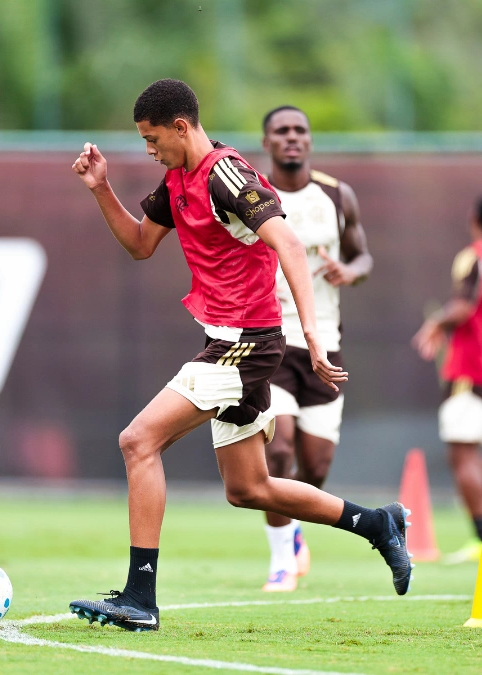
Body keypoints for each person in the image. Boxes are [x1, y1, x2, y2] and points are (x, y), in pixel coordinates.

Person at [67, 79, 410, 632]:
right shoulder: (177, 180)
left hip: (246, 344)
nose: (149, 150)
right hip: (225, 341)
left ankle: (139, 597)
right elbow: (139, 244)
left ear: (182, 126)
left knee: (138, 441)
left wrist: (315, 339)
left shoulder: (228, 174)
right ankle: (377, 523)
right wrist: (100, 188)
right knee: (249, 489)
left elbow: (290, 245)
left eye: (153, 139)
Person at [257, 105, 374, 592]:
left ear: (309, 140)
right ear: (266, 142)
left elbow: (361, 253)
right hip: (271, 339)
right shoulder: (252, 195)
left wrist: (353, 271)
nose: (291, 138)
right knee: (278, 451)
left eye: (299, 130)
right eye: (281, 131)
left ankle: (295, 530)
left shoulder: (336, 194)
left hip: (326, 344)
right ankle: (282, 560)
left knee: (316, 467)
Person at [412, 197, 482, 564]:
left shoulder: (473, 255)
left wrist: (436, 322)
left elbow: (464, 305)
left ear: (473, 217)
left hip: (472, 371)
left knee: (463, 453)